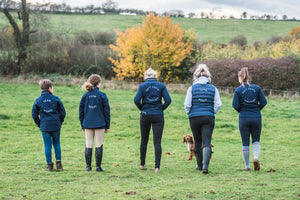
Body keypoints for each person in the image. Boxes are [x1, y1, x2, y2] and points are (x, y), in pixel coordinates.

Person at [184, 64, 222, 174]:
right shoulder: (213, 88)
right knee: (207, 141)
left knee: (197, 141)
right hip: (208, 117)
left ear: (196, 77)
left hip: (194, 117)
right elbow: (218, 104)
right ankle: (205, 166)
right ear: (208, 76)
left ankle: (199, 165)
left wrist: (190, 113)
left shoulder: (191, 88)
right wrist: (212, 111)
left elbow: (187, 104)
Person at [134, 68, 172, 173]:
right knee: (157, 142)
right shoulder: (161, 86)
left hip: (145, 114)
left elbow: (136, 100)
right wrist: (161, 108)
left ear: (146, 77)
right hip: (158, 115)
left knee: (144, 140)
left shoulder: (142, 86)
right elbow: (168, 100)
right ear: (156, 76)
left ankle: (142, 164)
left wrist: (142, 108)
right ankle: (157, 167)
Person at [232, 67, 267, 171]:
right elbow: (264, 102)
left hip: (244, 118)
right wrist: (257, 109)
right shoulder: (257, 88)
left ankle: (247, 166)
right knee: (256, 140)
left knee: (245, 142)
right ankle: (255, 158)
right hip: (256, 117)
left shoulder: (238, 90)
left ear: (240, 77)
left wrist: (242, 111)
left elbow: (235, 105)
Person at [32, 79, 66, 171]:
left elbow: (34, 115)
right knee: (56, 143)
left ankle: (49, 165)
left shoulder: (38, 100)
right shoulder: (56, 99)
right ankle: (59, 164)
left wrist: (40, 124)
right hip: (55, 124)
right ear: (50, 88)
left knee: (47, 145)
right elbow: (63, 112)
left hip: (45, 126)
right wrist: (60, 122)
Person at [79, 74, 110, 172]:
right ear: (98, 83)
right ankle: (98, 166)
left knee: (88, 144)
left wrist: (82, 124)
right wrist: (107, 125)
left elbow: (81, 112)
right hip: (100, 123)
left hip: (87, 123)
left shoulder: (85, 96)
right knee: (98, 144)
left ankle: (88, 167)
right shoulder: (102, 95)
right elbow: (106, 112)